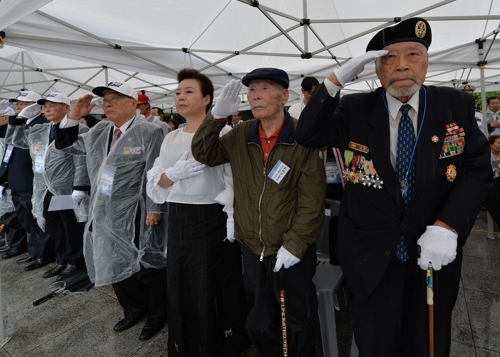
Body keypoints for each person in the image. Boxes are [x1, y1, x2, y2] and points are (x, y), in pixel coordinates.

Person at [295, 17, 492, 356]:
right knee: (376, 344)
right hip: (372, 257)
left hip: (432, 254)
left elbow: (477, 169)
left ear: (427, 61)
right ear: (375, 68)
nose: (401, 65)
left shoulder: (453, 106)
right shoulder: (356, 108)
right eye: (388, 57)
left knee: (427, 343)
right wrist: (334, 81)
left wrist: (447, 226)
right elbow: (307, 135)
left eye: (413, 55)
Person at [192, 68, 326, 356]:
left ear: (283, 96)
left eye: (264, 88)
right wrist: (216, 118)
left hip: (290, 249)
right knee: (259, 318)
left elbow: (312, 199)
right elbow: (204, 153)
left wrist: (296, 244)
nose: (255, 96)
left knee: (296, 317)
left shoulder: (302, 136)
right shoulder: (241, 133)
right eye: (252, 90)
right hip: (252, 247)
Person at [54, 81, 168, 341]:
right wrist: (73, 116)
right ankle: (133, 308)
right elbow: (66, 146)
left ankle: (157, 314)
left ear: (133, 103)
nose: (108, 103)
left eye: (116, 98)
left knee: (147, 265)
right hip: (103, 210)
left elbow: (155, 171)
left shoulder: (150, 132)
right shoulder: (100, 130)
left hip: (138, 212)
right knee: (112, 258)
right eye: (105, 99)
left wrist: (155, 208)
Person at [147, 68, 249, 357]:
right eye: (178, 92)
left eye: (189, 92)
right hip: (178, 217)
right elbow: (156, 180)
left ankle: (218, 344)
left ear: (207, 99)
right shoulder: (171, 136)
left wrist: (230, 209)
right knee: (180, 283)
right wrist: (173, 175)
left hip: (212, 218)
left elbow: (235, 179)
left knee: (211, 285)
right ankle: (185, 345)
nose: (180, 97)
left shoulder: (225, 133)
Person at [7, 92, 89, 279]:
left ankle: (75, 261)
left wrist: (80, 187)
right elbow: (17, 140)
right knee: (53, 225)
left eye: (53, 105)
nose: (48, 108)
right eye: (45, 106)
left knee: (70, 227)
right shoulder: (41, 130)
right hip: (46, 188)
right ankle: (62, 259)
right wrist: (19, 119)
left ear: (67, 108)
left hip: (67, 189)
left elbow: (81, 160)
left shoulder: (80, 130)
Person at [2, 91, 53, 273]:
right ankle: (33, 251)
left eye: (24, 104)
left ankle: (43, 254)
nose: (19, 108)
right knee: (26, 220)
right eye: (18, 105)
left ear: (35, 106)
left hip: (31, 181)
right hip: (16, 179)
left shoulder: (42, 125)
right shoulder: (19, 125)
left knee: (37, 219)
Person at [485, 135, 500, 228]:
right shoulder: (486, 156)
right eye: (498, 143)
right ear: (491, 144)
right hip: (493, 182)